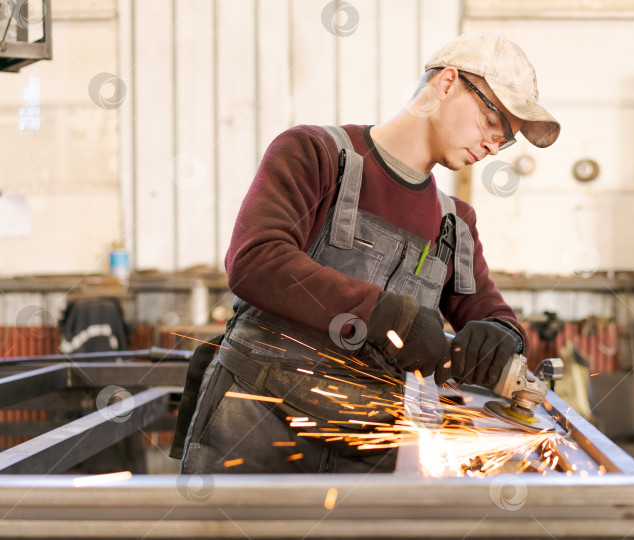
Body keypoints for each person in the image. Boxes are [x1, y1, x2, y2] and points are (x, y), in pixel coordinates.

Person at [172, 31, 560, 474]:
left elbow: (490, 313)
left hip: (363, 446)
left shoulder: (456, 224)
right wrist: (389, 315)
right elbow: (256, 262)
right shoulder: (314, 154)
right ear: (447, 84)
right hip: (252, 429)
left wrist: (501, 334)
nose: (494, 143)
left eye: (506, 138)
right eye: (492, 119)